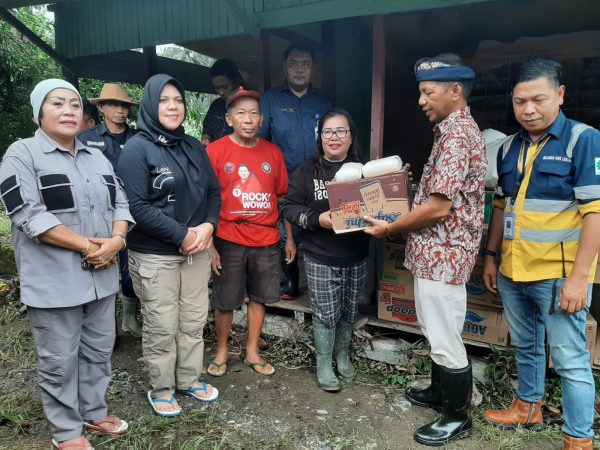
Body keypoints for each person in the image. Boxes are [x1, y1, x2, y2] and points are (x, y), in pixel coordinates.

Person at [0, 79, 133, 450]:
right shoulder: (21, 154)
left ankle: (93, 411)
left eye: (75, 105)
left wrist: (117, 241)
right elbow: (28, 214)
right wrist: (91, 246)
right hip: (55, 281)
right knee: (59, 360)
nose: (68, 111)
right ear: (38, 113)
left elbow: (120, 204)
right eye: (57, 103)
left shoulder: (97, 156)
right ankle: (66, 431)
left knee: (97, 350)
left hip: (102, 276)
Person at [363, 54, 486, 446]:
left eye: (427, 92)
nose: (420, 100)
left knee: (446, 332)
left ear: (455, 91)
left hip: (445, 255)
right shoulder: (450, 132)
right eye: (420, 92)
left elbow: (439, 206)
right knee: (435, 327)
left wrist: (391, 227)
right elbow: (436, 194)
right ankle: (439, 394)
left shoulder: (457, 137)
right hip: (435, 253)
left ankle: (456, 415)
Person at [482, 59, 600, 450]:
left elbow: (595, 212)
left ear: (560, 95)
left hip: (557, 275)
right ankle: (528, 406)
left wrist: (580, 278)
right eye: (520, 101)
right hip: (514, 269)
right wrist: (491, 255)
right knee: (526, 343)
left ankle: (578, 439)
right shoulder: (510, 147)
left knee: (569, 358)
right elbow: (502, 204)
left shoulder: (583, 140)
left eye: (538, 99)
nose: (528, 109)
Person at [117, 74, 221, 417]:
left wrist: (208, 226)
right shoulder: (136, 148)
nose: (173, 106)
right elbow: (137, 207)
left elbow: (212, 191)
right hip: (155, 254)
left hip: (197, 250)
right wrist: (182, 235)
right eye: (164, 100)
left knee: (192, 320)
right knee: (162, 325)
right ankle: (161, 387)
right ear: (150, 104)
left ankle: (189, 379)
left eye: (178, 100)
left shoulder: (192, 146)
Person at [281, 109, 370, 391]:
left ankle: (342, 356)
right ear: (320, 138)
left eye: (341, 131)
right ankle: (323, 363)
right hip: (320, 254)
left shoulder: (363, 172)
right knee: (325, 313)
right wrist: (317, 219)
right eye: (328, 132)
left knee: (348, 310)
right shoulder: (308, 171)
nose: (334, 137)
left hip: (356, 254)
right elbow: (289, 206)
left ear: (351, 136)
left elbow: (381, 204)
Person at [206, 89, 288, 378]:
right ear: (229, 119)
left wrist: (286, 236)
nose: (248, 119)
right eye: (241, 113)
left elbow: (280, 196)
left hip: (266, 239)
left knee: (259, 297)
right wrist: (210, 246)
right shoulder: (214, 152)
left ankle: (252, 350)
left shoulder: (272, 153)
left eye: (254, 113)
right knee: (225, 300)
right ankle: (221, 350)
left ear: (262, 119)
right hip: (228, 237)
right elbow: (204, 200)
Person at [259, 42, 332, 300]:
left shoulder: (324, 102)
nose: (299, 70)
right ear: (284, 68)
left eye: (305, 64)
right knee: (284, 233)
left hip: (318, 178)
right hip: (283, 180)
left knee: (317, 227)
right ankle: (290, 281)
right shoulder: (270, 99)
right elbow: (260, 141)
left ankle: (318, 285)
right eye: (293, 64)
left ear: (313, 69)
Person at [79, 83, 142, 337]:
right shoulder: (86, 138)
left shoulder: (138, 138)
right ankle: (105, 327)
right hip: (97, 213)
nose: (119, 110)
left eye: (124, 106)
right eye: (113, 104)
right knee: (99, 267)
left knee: (129, 270)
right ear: (101, 107)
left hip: (132, 214)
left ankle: (129, 317)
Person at [201, 58, 243, 145]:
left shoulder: (250, 105)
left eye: (225, 87)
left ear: (237, 80)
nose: (221, 92)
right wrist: (206, 139)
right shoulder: (216, 105)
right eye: (217, 88)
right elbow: (206, 133)